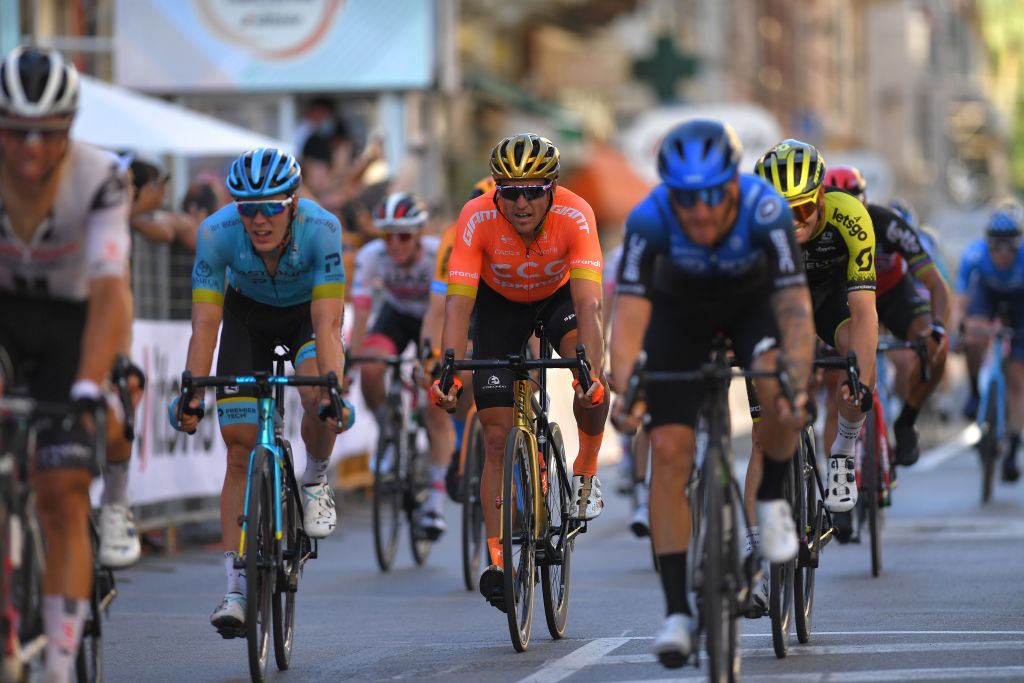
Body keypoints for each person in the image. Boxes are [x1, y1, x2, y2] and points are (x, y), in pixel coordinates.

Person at [609, 119, 814, 665]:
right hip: (680, 315)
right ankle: (677, 612)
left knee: (778, 388)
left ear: (733, 184)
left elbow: (795, 310)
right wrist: (627, 389)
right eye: (686, 198)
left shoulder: (765, 209)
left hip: (752, 307)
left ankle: (771, 500)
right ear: (668, 193)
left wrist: (795, 381)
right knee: (668, 450)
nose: (699, 211)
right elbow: (628, 323)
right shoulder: (648, 218)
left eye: (712, 196)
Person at [168, 147, 354, 637]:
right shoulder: (217, 232)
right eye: (248, 207)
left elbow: (327, 323)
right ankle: (235, 589)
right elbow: (205, 322)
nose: (258, 219)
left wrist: (332, 389)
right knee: (238, 449)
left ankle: (315, 479)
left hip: (305, 317)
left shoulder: (322, 228)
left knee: (317, 398)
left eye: (271, 206)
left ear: (292, 203)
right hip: (246, 319)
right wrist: (192, 390)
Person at [430, 133, 608, 611]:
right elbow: (457, 304)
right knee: (495, 437)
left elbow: (589, 304)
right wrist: (449, 368)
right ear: (496, 192)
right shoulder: (476, 217)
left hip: (560, 299)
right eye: (509, 192)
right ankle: (498, 563)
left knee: (592, 382)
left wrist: (590, 372)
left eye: (532, 191)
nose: (521, 202)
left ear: (552, 189)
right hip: (499, 307)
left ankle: (586, 469)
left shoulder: (576, 213)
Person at [0, 45, 132, 682]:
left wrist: (86, 383)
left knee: (61, 492)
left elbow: (111, 293)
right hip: (5, 316)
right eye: (15, 131)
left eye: (47, 133)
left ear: (70, 128)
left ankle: (57, 664)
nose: (31, 147)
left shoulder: (100, 176)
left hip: (70, 322)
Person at [754, 140, 878, 515]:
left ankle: (843, 449)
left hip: (830, 299)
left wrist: (860, 383)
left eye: (803, 208)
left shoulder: (851, 216)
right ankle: (759, 541)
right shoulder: (752, 225)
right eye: (781, 211)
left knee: (854, 354)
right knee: (763, 434)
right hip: (778, 302)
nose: (793, 220)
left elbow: (865, 314)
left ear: (822, 196)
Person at [824, 166, 950, 466]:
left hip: (893, 296)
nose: (848, 210)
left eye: (854, 200)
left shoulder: (889, 225)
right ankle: (836, 474)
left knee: (935, 348)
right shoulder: (822, 230)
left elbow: (935, 284)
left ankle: (906, 421)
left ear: (866, 200)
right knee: (835, 383)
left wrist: (938, 328)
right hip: (847, 300)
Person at [346, 191, 454, 538]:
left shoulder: (438, 254)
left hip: (436, 317)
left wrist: (435, 359)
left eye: (404, 236)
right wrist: (350, 366)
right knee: (371, 366)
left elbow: (445, 311)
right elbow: (361, 314)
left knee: (436, 403)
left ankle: (435, 503)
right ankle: (390, 435)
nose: (394, 244)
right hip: (397, 315)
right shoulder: (371, 256)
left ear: (420, 233)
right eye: (387, 235)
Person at [954, 204, 1024, 482]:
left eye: (1010, 248)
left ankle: (1014, 447)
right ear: (987, 244)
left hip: (1020, 300)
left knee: (1018, 380)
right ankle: (974, 392)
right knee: (972, 337)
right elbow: (960, 302)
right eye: (997, 247)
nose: (1003, 254)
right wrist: (959, 330)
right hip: (988, 294)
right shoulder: (974, 255)